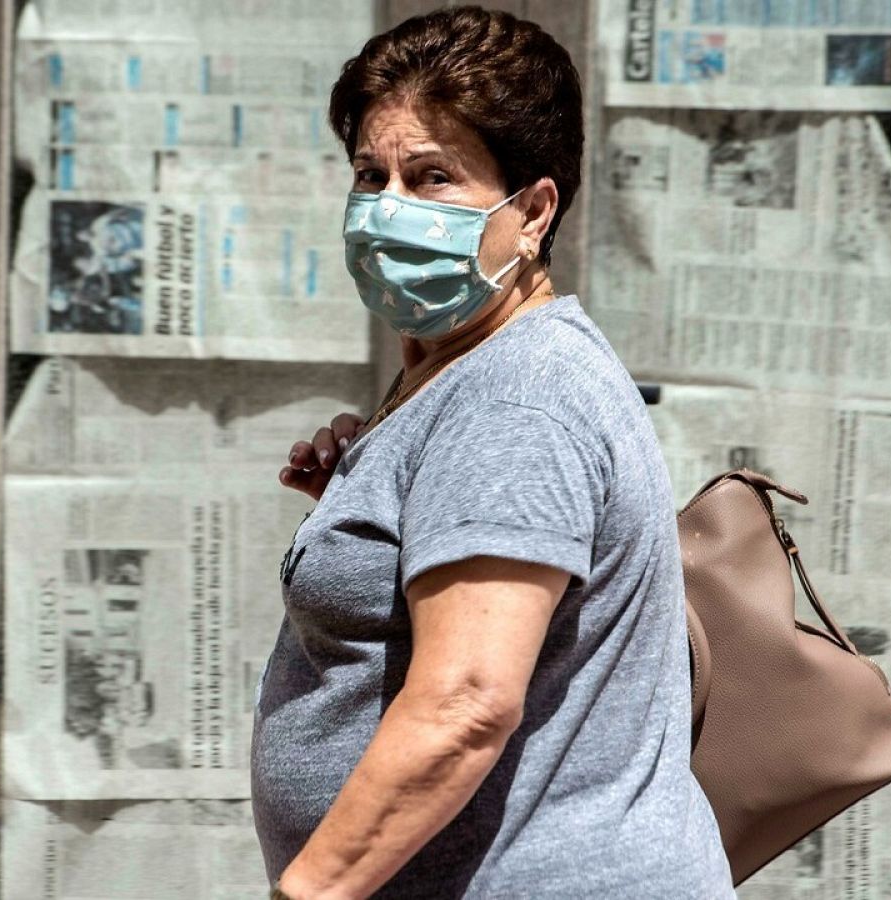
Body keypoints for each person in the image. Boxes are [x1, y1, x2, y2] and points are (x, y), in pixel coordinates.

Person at [248, 8, 735, 898]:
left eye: (434, 178)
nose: (389, 210)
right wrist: (373, 509)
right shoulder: (471, 372)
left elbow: (466, 704)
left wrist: (309, 892)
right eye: (370, 174)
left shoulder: (516, 399)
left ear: (533, 211)